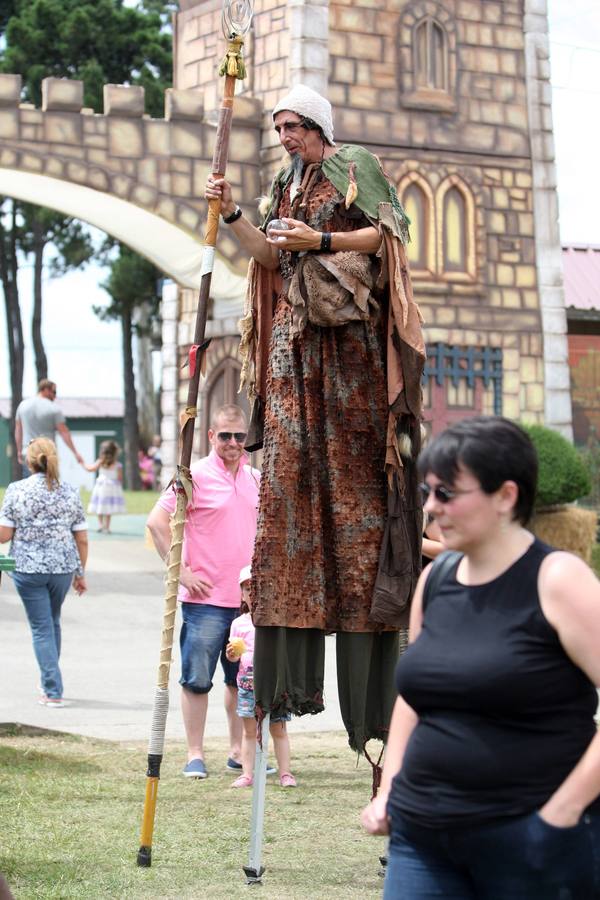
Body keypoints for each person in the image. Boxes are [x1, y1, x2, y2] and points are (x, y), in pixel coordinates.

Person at [205, 84, 425, 751]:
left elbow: (387, 238)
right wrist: (237, 212)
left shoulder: (350, 165)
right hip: (293, 360)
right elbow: (272, 257)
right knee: (290, 508)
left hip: (349, 364)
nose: (285, 137)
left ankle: (374, 708)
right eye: (278, 128)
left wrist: (321, 235)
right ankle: (288, 683)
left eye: (294, 126)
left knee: (358, 510)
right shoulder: (282, 186)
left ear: (320, 127)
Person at [361, 416, 600, 899]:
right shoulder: (437, 579)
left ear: (506, 497)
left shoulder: (558, 580)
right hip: (422, 836)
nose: (431, 507)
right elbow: (415, 697)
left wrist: (559, 816)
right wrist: (390, 789)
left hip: (531, 840)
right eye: (428, 492)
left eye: (446, 493)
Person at [146, 404, 260, 778]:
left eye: (239, 436)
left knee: (238, 680)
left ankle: (237, 750)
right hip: (205, 602)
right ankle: (195, 753)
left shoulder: (255, 479)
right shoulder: (191, 476)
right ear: (211, 436)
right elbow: (157, 522)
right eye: (225, 435)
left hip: (245, 603)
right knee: (197, 679)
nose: (232, 443)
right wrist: (180, 572)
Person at [0, 438, 88, 707]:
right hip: (62, 568)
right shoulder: (70, 492)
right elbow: (82, 539)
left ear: (29, 461)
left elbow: (4, 537)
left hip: (27, 570)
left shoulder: (16, 491)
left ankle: (52, 689)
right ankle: (49, 678)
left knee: (41, 627)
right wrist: (80, 573)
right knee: (52, 621)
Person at [226, 565, 297, 789]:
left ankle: (286, 773)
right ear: (242, 595)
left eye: (257, 588)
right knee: (249, 731)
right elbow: (234, 658)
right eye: (247, 589)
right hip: (247, 685)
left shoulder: (275, 620)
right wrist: (231, 654)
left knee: (278, 729)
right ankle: (248, 774)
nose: (252, 593)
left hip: (274, 684)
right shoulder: (238, 624)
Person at [15, 379, 83, 478]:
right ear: (45, 390)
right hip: (48, 456)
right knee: (51, 490)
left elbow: (18, 430)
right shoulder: (54, 408)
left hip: (29, 454)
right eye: (54, 392)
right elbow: (64, 433)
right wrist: (75, 453)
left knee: (29, 488)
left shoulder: (23, 405)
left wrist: (19, 450)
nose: (55, 396)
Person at [85, 440, 126, 533]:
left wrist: (83, 463)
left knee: (100, 505)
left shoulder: (100, 462)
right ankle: (107, 527)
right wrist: (119, 485)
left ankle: (100, 525)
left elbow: (91, 469)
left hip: (101, 486)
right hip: (112, 487)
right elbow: (119, 478)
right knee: (108, 507)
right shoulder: (117, 464)